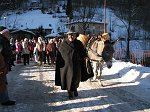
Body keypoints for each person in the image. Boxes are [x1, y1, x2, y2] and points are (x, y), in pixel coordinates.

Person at [55, 30, 92, 99]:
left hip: (76, 65)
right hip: (66, 66)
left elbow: (82, 52)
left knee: (76, 79)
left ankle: (75, 89)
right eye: (70, 35)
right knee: (68, 79)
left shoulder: (79, 43)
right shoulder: (63, 44)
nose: (71, 36)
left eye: (73, 35)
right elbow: (59, 55)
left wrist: (85, 57)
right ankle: (70, 92)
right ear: (67, 35)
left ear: (75, 36)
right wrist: (59, 62)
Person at [0, 26, 16, 106]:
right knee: (2, 82)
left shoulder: (4, 40)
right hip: (1, 65)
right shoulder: (1, 40)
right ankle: (5, 100)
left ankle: (4, 99)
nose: (9, 34)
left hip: (3, 64)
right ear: (4, 33)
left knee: (3, 82)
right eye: (7, 32)